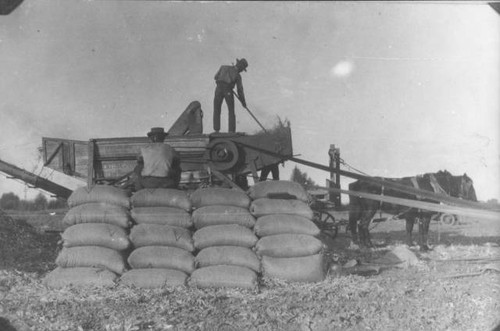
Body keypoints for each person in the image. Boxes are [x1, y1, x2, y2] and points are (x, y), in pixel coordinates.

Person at [213, 58, 248, 133]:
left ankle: (216, 130)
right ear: (240, 67)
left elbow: (215, 77)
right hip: (228, 91)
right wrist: (243, 102)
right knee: (231, 110)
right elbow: (240, 90)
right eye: (242, 69)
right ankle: (231, 131)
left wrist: (221, 79)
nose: (242, 71)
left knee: (216, 109)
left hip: (218, 89)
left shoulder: (223, 67)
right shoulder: (238, 76)